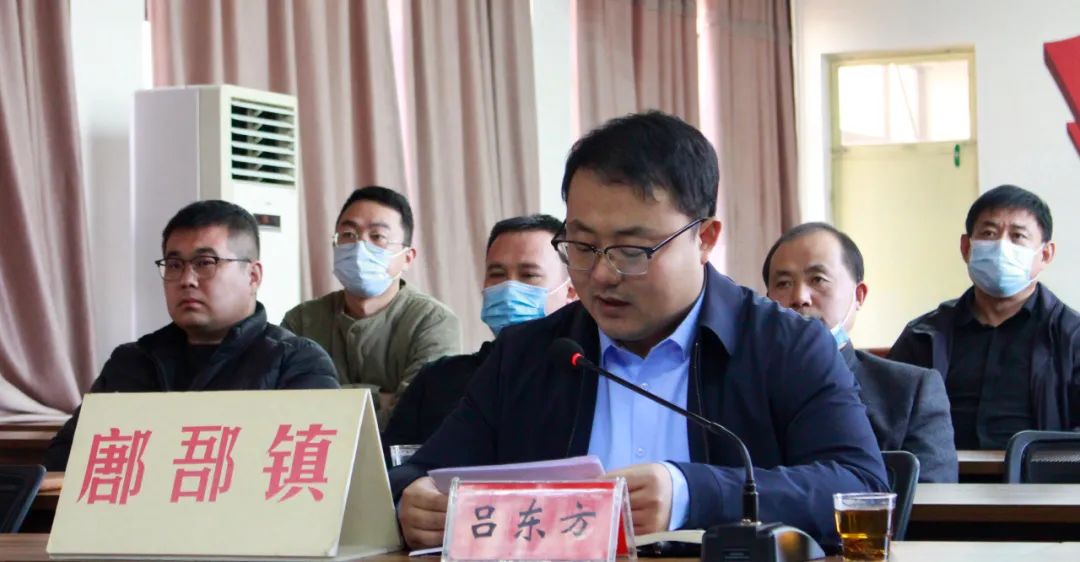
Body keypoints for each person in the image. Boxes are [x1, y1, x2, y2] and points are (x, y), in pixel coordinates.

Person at [390, 111, 887, 550]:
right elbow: (421, 473)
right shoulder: (531, 353)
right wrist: (411, 500)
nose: (602, 275)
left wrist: (692, 493)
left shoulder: (786, 346)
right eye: (582, 246)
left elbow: (860, 484)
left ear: (704, 238)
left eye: (632, 251)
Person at [44, 200, 340, 470]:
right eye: (174, 265)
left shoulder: (296, 361)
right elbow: (64, 459)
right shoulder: (131, 362)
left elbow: (309, 469)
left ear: (253, 276)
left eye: (205, 263)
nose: (186, 280)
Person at [763, 222, 958, 482]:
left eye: (818, 280)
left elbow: (934, 499)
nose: (800, 297)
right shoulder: (742, 384)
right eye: (784, 283)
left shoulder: (910, 391)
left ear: (858, 295)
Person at [890, 185, 1079, 450]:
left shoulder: (1071, 337)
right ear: (966, 247)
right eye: (989, 233)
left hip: (1038, 474)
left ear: (1045, 254)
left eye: (1017, 236)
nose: (1001, 246)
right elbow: (885, 417)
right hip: (941, 473)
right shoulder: (924, 335)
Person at [382, 214, 576, 447]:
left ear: (571, 292)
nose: (508, 287)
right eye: (497, 274)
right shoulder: (438, 380)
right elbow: (394, 461)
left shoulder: (588, 379)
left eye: (529, 275)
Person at [281, 186, 460, 427]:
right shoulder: (301, 321)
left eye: (377, 237)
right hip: (315, 450)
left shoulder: (433, 321)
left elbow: (416, 418)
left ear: (407, 257)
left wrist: (326, 400)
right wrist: (381, 399)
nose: (359, 247)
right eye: (348, 234)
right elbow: (284, 411)